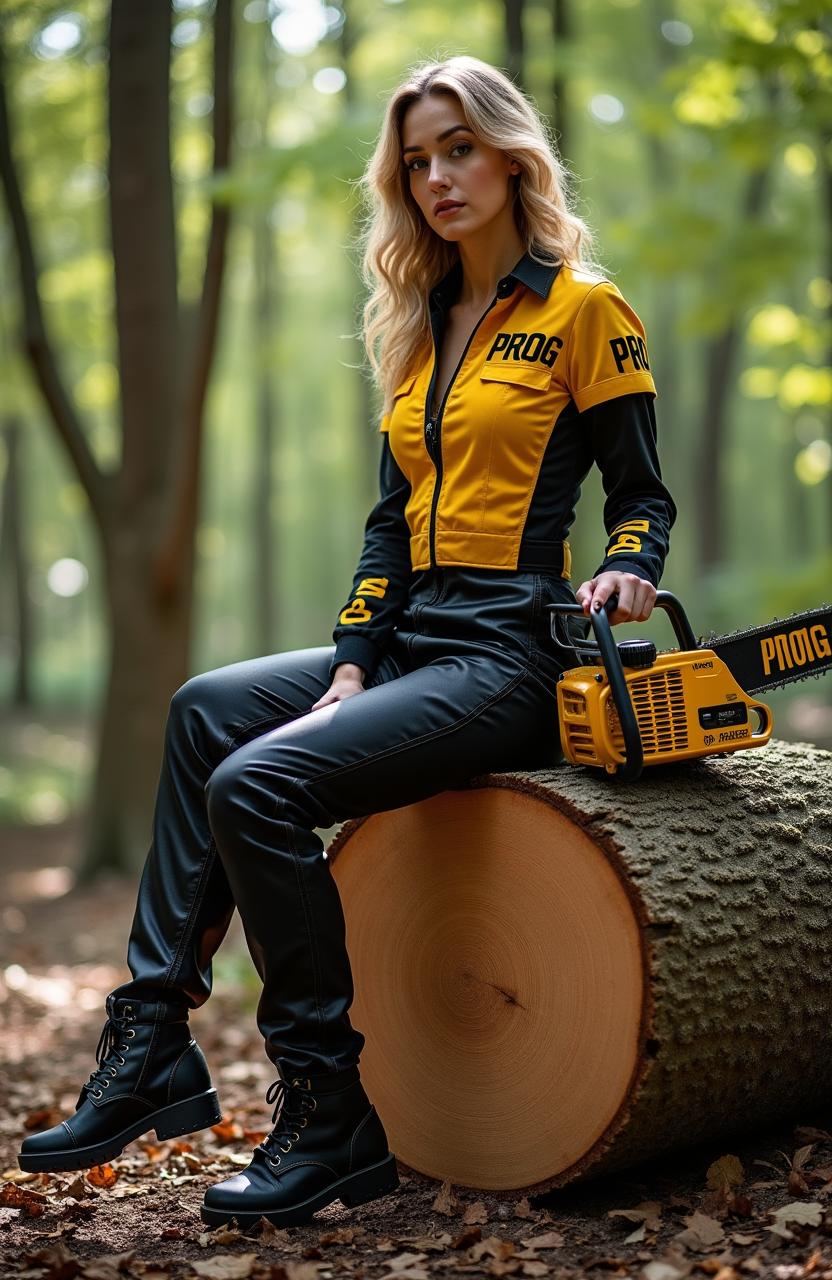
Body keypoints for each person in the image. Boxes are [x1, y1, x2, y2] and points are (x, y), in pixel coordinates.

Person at [18, 54, 676, 1228]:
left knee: (256, 785)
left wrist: (630, 563)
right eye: (416, 160)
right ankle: (155, 1039)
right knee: (204, 707)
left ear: (509, 153)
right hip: (417, 637)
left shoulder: (582, 309)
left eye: (457, 148)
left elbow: (642, 495)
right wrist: (353, 662)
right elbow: (387, 528)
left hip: (511, 651)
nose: (436, 176)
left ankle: (332, 1115)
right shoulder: (417, 325)